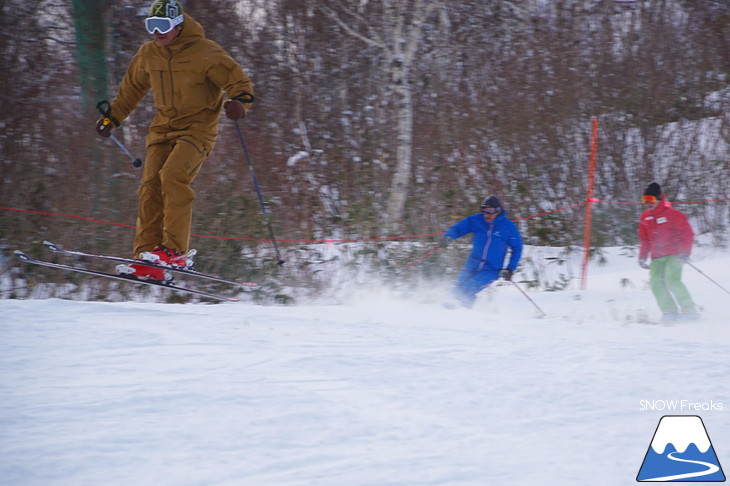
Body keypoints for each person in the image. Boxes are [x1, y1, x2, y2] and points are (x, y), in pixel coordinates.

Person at [94, 0, 254, 281]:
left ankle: (175, 253)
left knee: (172, 177)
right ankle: (146, 258)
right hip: (162, 130)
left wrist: (239, 103)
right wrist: (111, 119)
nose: (156, 32)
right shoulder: (148, 54)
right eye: (151, 26)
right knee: (149, 187)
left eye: (163, 26)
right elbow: (129, 92)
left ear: (178, 25)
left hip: (197, 130)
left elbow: (238, 83)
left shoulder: (206, 53)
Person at [440, 195, 523, 307]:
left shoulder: (508, 227)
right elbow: (458, 228)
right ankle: (449, 310)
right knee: (458, 288)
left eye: (490, 211)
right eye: (484, 210)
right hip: (473, 263)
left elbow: (517, 248)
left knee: (469, 288)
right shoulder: (476, 220)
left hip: (491, 269)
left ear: (497, 211)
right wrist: (448, 237)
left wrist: (510, 269)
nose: (487, 214)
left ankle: (463, 312)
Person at [638, 182, 699, 321]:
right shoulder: (644, 217)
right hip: (657, 257)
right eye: (644, 200)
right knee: (655, 283)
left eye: (651, 200)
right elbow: (644, 239)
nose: (647, 203)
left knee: (672, 280)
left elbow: (687, 234)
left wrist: (685, 252)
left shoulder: (673, 214)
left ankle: (689, 311)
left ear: (659, 199)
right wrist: (642, 257)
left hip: (674, 254)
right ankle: (669, 311)